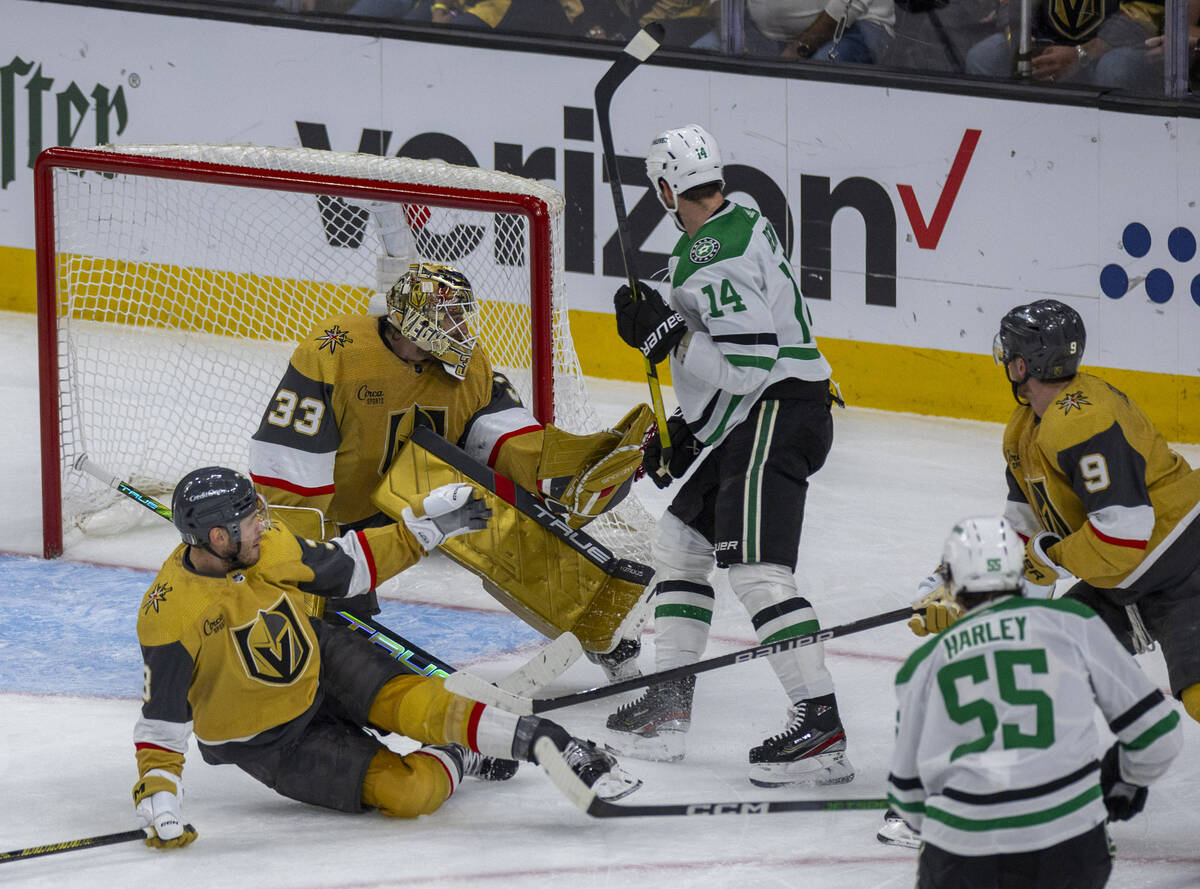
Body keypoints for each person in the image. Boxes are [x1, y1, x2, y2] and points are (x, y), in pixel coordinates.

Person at [132, 467, 638, 848]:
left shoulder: (269, 546)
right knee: (410, 795)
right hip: (269, 743)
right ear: (217, 538)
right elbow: (163, 719)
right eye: (250, 520)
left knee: (427, 705)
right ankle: (466, 752)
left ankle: (553, 745)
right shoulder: (170, 614)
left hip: (322, 661)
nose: (263, 525)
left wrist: (419, 531)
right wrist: (158, 789)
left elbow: (346, 567)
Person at [248, 260, 652, 682]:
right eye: (448, 315)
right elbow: (288, 466)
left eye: (462, 314)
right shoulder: (335, 353)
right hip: (339, 513)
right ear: (413, 321)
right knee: (334, 636)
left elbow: (498, 431)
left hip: (426, 488)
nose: (460, 327)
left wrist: (558, 473)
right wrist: (295, 560)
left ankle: (604, 634)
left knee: (519, 530)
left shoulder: (468, 362)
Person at [605, 124, 851, 787]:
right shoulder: (745, 221)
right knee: (682, 543)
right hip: (760, 414)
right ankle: (668, 706)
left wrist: (668, 337)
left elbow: (749, 365)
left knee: (758, 570)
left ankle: (820, 726)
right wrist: (691, 426)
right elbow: (735, 366)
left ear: (664, 189)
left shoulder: (708, 256)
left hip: (777, 411)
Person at [887, 516, 1182, 887]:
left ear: (952, 581)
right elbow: (1159, 738)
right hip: (1070, 846)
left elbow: (908, 798)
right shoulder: (1074, 623)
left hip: (962, 856)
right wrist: (1124, 779)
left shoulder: (923, 666)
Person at [964, 0, 1163, 90]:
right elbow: (1012, 6)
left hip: (1107, 51)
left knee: (1116, 68)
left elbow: (1143, 17)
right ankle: (1000, 144)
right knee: (985, 57)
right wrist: (1019, 41)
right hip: (1048, 45)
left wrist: (1081, 55)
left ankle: (1117, 150)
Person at [692, 0, 895, 64]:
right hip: (763, 32)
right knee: (697, 59)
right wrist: (732, 39)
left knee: (816, 80)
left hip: (853, 28)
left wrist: (799, 49)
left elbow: (849, 4)